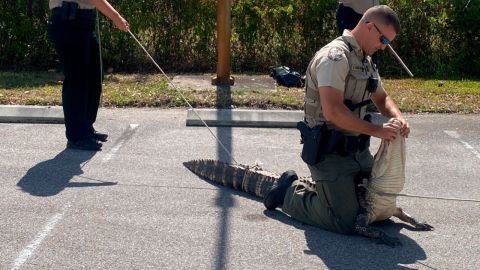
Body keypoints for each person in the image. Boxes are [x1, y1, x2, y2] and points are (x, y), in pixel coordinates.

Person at [264, 5, 410, 235]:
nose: (383, 46)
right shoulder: (335, 57)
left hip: (356, 152)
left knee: (377, 204)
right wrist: (378, 130)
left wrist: (399, 118)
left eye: (388, 43)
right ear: (370, 27)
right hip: (328, 153)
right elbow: (333, 111)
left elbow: (382, 98)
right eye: (384, 39)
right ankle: (288, 192)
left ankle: (332, 191)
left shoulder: (365, 60)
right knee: (345, 220)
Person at [48, 0, 129, 150]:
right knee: (77, 81)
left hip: (82, 21)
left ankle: (85, 129)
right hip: (69, 22)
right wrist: (116, 17)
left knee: (93, 77)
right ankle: (76, 136)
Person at [337, 1, 380, 65]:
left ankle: (372, 68)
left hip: (370, 16)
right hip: (349, 11)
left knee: (371, 48)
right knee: (350, 47)